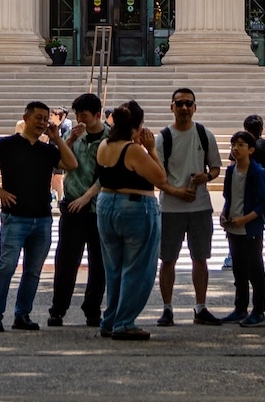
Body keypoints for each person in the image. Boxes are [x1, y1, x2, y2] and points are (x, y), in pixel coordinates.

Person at [0, 100, 78, 332]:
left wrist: (57, 138)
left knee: (33, 271)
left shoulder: (48, 150)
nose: (43, 122)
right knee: (6, 267)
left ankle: (22, 314)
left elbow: (71, 164)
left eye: (46, 119)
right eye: (38, 118)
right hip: (15, 216)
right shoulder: (8, 144)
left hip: (42, 217)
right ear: (26, 118)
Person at [94, 100, 188, 341]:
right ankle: (124, 322)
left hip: (106, 204)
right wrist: (151, 149)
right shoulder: (132, 150)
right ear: (136, 126)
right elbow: (160, 177)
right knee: (138, 267)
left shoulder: (104, 144)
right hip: (135, 206)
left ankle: (111, 318)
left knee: (113, 267)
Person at [154, 87, 224, 326]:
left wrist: (207, 177)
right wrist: (176, 192)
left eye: (188, 103)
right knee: (167, 260)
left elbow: (215, 167)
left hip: (200, 207)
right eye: (180, 103)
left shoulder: (205, 135)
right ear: (171, 107)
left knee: (201, 259)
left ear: (195, 107)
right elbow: (157, 176)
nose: (184, 108)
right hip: (170, 209)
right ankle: (167, 308)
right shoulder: (163, 138)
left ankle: (201, 306)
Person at [50, 92, 107, 329]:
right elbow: (58, 163)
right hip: (73, 206)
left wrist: (86, 198)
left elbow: (107, 175)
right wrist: (69, 140)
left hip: (98, 208)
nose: (81, 118)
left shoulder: (110, 139)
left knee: (99, 262)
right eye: (77, 114)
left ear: (97, 114)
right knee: (66, 261)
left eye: (85, 114)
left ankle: (92, 308)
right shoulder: (74, 136)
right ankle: (58, 308)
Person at [219, 129, 265, 326]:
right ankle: (240, 308)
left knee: (255, 270)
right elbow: (228, 197)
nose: (235, 149)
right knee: (239, 270)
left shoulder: (256, 172)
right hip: (233, 228)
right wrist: (224, 214)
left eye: (241, 145)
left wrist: (245, 219)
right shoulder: (230, 171)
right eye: (233, 145)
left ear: (251, 149)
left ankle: (259, 311)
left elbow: (264, 202)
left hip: (250, 229)